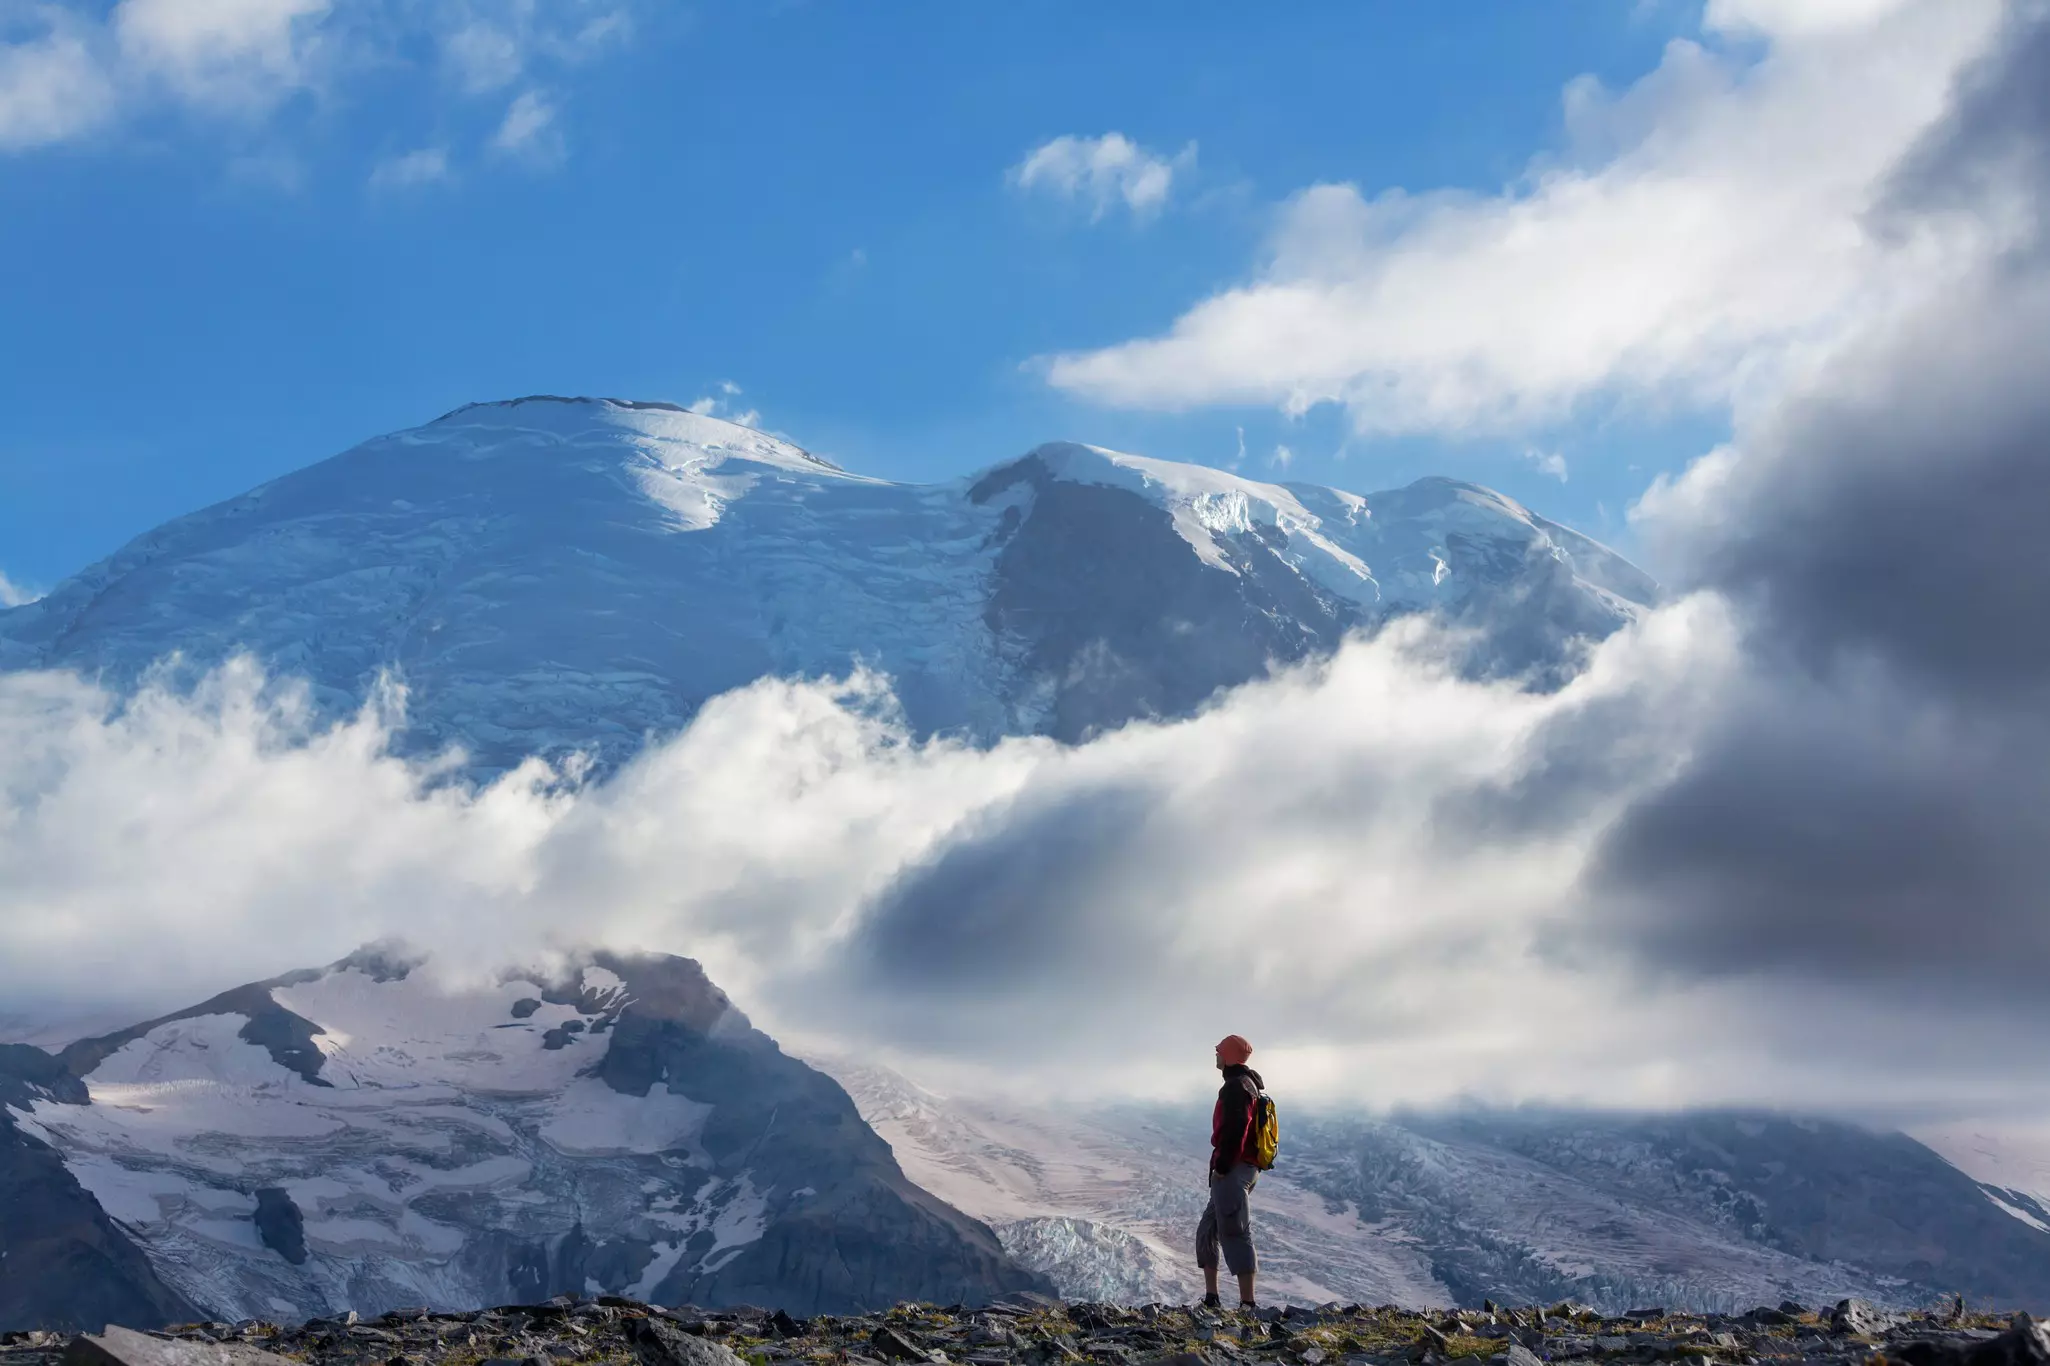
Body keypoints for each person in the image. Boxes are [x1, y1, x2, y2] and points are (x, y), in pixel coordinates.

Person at [1196, 1033, 1262, 1311]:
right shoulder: (1247, 1084)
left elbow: (1237, 1129)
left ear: (1230, 1056)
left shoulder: (1237, 1087)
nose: (1216, 1053)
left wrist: (1222, 1166)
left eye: (1220, 1050)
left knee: (1235, 1232)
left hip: (1232, 1171)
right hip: (1236, 1169)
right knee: (1207, 1230)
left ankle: (1248, 1304)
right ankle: (1212, 1299)